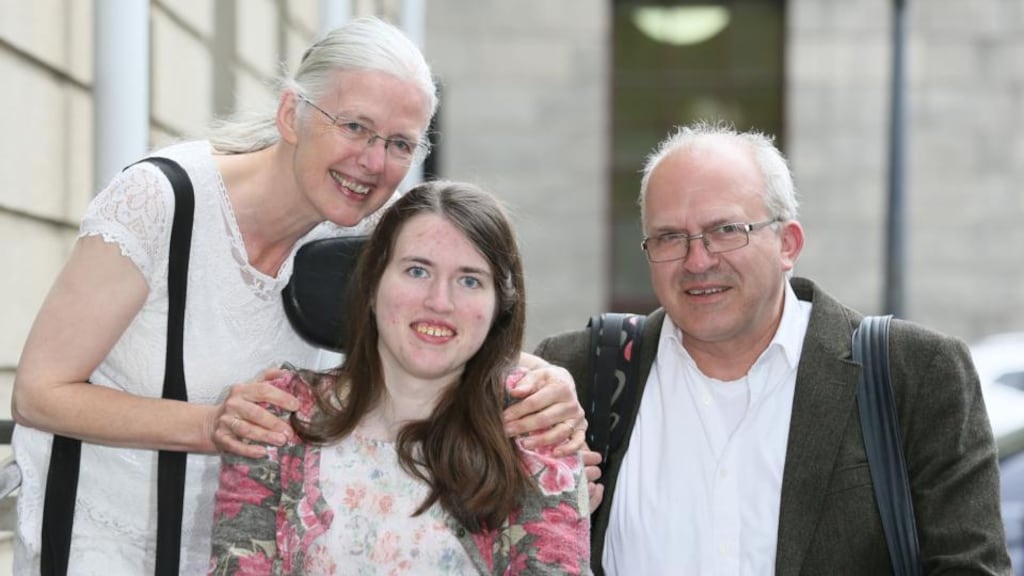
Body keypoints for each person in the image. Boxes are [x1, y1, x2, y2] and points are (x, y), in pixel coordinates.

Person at [11, 17, 584, 575]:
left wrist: (538, 379)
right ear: (291, 114)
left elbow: (439, 318)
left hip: (251, 539)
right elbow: (38, 394)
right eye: (355, 127)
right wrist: (213, 425)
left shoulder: (366, 228)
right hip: (106, 536)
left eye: (399, 143)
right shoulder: (163, 203)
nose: (373, 162)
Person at [534, 120, 1012, 575]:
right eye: (670, 237)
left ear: (788, 243)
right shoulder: (580, 377)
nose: (697, 260)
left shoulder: (915, 374)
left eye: (726, 230)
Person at [207, 180, 591, 575]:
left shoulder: (534, 426)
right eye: (417, 270)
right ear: (372, 284)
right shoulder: (279, 416)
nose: (439, 302)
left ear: (499, 307)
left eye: (470, 280)